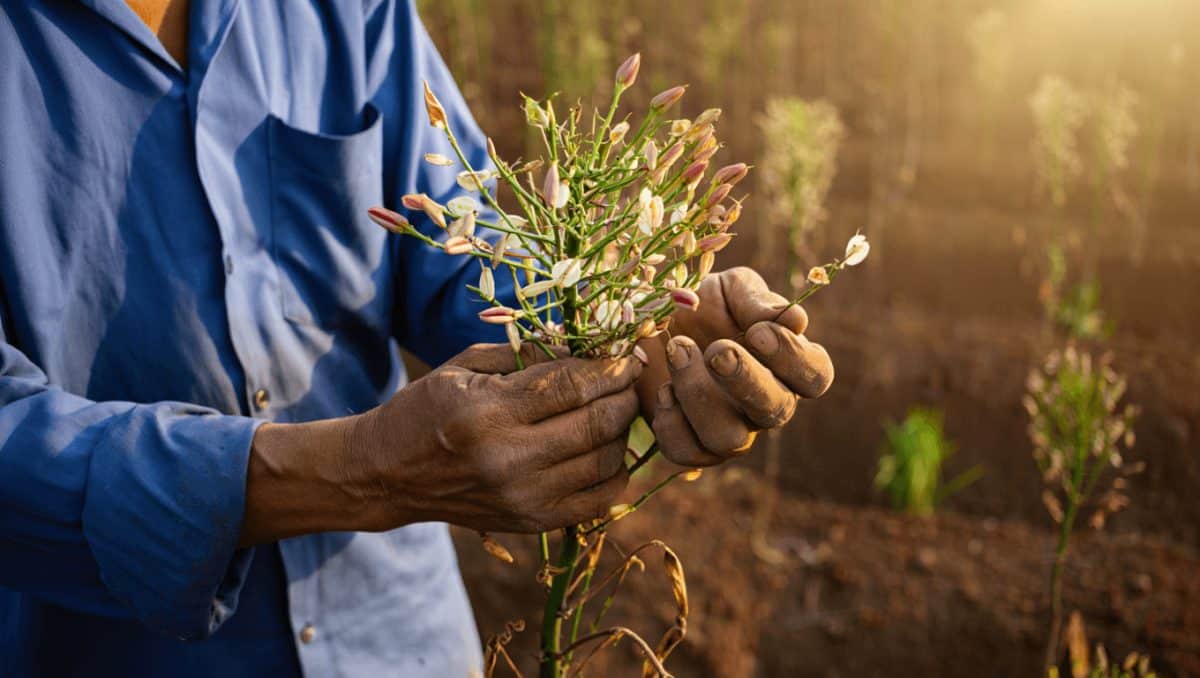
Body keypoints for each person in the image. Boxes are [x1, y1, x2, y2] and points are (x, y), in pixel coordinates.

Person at [0, 1, 834, 675]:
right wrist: (358, 474)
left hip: (405, 643)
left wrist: (626, 319)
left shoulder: (351, 13)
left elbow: (456, 245)